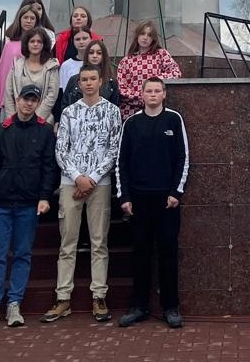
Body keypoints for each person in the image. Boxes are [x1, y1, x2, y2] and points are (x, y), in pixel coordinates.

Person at [0, 83, 59, 328]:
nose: (29, 103)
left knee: (22, 254)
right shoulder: (3, 129)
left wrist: (45, 197)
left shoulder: (44, 131)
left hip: (29, 203)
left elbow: (48, 168)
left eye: (34, 100)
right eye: (26, 99)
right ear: (17, 99)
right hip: (1, 202)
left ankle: (14, 304)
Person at [44, 63, 123, 324]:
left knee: (99, 242)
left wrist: (92, 178)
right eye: (84, 79)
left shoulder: (112, 112)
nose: (88, 83)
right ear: (78, 83)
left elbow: (114, 150)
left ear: (101, 81)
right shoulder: (68, 112)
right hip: (70, 182)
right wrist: (78, 177)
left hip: (99, 183)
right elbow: (61, 149)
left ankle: (99, 295)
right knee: (68, 243)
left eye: (93, 79)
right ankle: (62, 298)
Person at [117, 77, 188, 329]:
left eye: (158, 91)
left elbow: (183, 158)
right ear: (142, 94)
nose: (153, 94)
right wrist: (124, 196)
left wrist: (176, 193)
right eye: (149, 91)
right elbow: (121, 163)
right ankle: (139, 306)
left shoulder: (174, 120)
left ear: (164, 94)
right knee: (140, 255)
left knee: (168, 254)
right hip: (138, 201)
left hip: (166, 202)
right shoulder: (132, 123)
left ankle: (171, 307)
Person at [116, 21, 181, 120]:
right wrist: (141, 97)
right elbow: (122, 88)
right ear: (137, 35)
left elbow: (176, 72)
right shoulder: (126, 61)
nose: (145, 37)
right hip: (132, 111)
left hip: (156, 110)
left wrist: (155, 80)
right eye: (142, 33)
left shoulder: (161, 54)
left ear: (153, 39)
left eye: (149, 35)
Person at [4, 28, 60, 121]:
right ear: (26, 44)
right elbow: (8, 94)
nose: (35, 44)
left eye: (39, 41)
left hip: (42, 121)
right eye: (32, 41)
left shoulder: (51, 66)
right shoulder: (17, 65)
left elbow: (52, 95)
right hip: (17, 121)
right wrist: (12, 118)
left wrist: (36, 119)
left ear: (44, 45)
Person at [0, 4, 41, 115]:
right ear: (19, 20)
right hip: (11, 98)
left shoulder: (40, 44)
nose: (28, 21)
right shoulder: (10, 45)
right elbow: (3, 74)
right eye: (25, 17)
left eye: (32, 18)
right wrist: (0, 100)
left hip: (32, 97)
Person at [61, 38, 121, 110]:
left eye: (99, 53)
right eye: (91, 52)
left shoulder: (112, 82)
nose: (94, 56)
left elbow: (114, 109)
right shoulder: (74, 80)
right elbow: (65, 107)